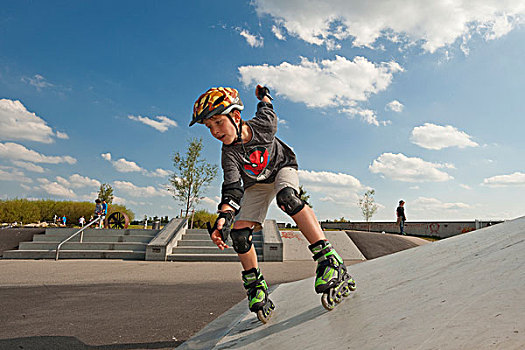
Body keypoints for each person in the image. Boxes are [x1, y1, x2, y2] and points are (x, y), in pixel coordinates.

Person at [190, 85, 356, 320]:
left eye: (218, 122)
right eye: (209, 127)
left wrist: (263, 95)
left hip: (282, 168)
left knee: (287, 199)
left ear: (236, 116)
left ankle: (329, 259)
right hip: (256, 185)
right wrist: (224, 217)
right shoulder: (229, 153)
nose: (215, 131)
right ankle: (256, 286)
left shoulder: (264, 125)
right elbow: (232, 188)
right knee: (239, 234)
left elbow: (266, 105)